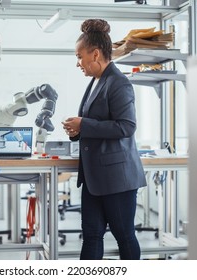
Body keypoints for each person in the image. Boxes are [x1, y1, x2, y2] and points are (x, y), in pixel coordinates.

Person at [62, 19, 147, 260]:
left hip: (116, 178)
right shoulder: (96, 81)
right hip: (94, 177)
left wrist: (84, 125)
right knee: (91, 235)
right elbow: (97, 123)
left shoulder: (119, 83)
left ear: (95, 53)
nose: (78, 63)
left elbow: (127, 126)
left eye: (79, 56)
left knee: (124, 235)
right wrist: (77, 131)